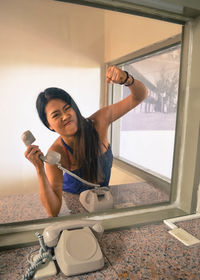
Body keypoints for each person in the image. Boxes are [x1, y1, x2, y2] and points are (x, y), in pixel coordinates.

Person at [25, 66, 148, 217]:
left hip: (103, 203)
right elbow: (53, 210)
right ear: (49, 125)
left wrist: (126, 79)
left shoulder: (99, 122)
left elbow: (140, 95)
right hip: (76, 210)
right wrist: (39, 169)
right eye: (56, 115)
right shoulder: (56, 154)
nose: (65, 116)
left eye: (67, 108)